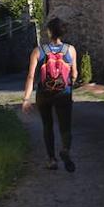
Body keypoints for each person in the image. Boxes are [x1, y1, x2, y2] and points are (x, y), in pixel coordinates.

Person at [23, 17, 79, 172]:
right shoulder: (70, 50)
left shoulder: (38, 51)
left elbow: (31, 76)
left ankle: (52, 160)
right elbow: (74, 74)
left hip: (44, 94)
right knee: (65, 126)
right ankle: (65, 150)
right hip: (63, 93)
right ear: (62, 32)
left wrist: (26, 98)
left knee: (47, 126)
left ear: (48, 32)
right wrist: (69, 82)